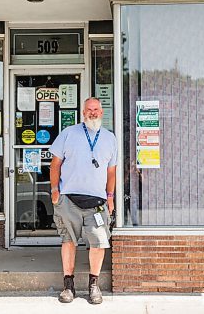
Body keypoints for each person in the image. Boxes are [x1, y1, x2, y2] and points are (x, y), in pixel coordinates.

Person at [49, 97, 117, 304]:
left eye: (96, 109)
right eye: (89, 109)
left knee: (98, 243)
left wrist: (111, 197)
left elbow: (111, 171)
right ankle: (68, 286)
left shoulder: (110, 138)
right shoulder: (69, 133)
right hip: (68, 200)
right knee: (68, 242)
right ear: (83, 113)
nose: (93, 113)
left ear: (102, 112)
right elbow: (55, 164)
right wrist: (54, 190)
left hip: (97, 203)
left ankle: (93, 286)